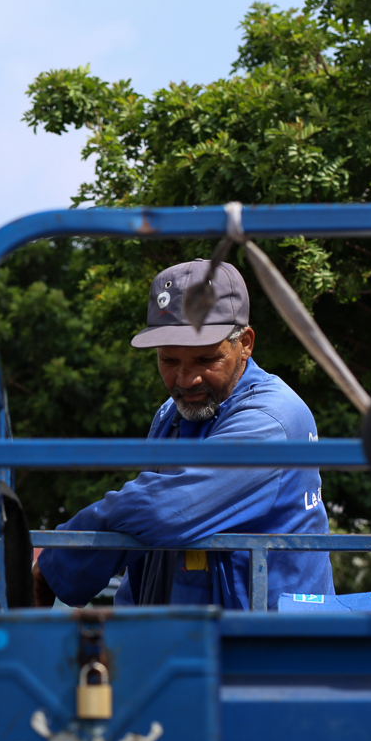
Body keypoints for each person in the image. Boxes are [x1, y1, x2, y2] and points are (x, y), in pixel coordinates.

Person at [32, 259, 336, 610]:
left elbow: (163, 511)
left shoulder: (272, 419)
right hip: (186, 639)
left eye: (206, 359)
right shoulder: (173, 414)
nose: (186, 379)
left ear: (246, 343)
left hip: (265, 648)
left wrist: (55, 562)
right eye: (170, 361)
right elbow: (143, 544)